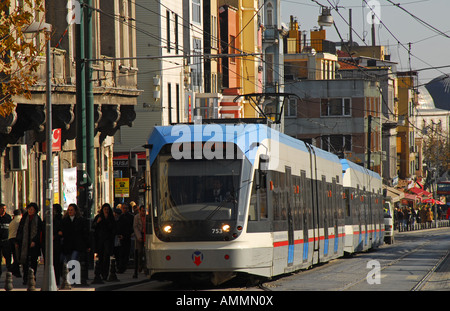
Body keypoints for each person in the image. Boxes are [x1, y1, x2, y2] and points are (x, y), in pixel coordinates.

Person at [16, 203, 43, 285]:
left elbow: (39, 232)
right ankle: (25, 278)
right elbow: (20, 230)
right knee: (25, 262)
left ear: (35, 210)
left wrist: (34, 241)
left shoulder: (37, 219)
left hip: (34, 244)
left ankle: (32, 277)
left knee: (33, 261)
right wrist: (17, 241)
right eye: (29, 209)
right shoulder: (24, 218)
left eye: (32, 209)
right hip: (24, 244)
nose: (30, 211)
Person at [92, 203, 116, 281]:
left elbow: (113, 228)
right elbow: (93, 226)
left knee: (106, 256)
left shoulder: (111, 218)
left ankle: (105, 274)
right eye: (105, 209)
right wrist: (97, 222)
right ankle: (100, 273)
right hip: (100, 240)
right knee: (101, 257)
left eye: (107, 209)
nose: (106, 211)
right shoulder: (98, 217)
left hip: (108, 240)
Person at [117, 203, 134, 273]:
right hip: (122, 237)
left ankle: (123, 267)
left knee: (126, 253)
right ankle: (120, 267)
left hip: (128, 236)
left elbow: (132, 226)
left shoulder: (131, 217)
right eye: (124, 208)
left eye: (126, 208)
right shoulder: (121, 217)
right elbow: (119, 226)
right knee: (121, 253)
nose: (125, 209)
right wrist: (119, 234)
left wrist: (132, 233)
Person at [133, 205, 148, 276]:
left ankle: (145, 267)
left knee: (145, 252)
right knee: (139, 252)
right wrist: (139, 236)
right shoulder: (136, 217)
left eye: (144, 211)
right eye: (142, 211)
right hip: (140, 234)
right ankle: (139, 266)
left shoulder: (147, 217)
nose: (143, 212)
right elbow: (135, 227)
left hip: (146, 235)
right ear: (140, 211)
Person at [8, 209, 22, 277]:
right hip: (16, 239)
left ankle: (14, 270)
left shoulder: (12, 222)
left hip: (10, 239)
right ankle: (14, 270)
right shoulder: (20, 220)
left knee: (14, 255)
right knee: (17, 256)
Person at [52, 204, 63, 286]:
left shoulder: (60, 219)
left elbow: (61, 231)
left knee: (58, 262)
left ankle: (57, 279)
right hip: (51, 244)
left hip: (58, 244)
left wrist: (56, 235)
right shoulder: (49, 219)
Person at [0, 203, 12, 277]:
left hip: (6, 240)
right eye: (2, 208)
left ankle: (9, 270)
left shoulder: (8, 217)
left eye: (5, 208)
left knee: (7, 256)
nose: (3, 210)